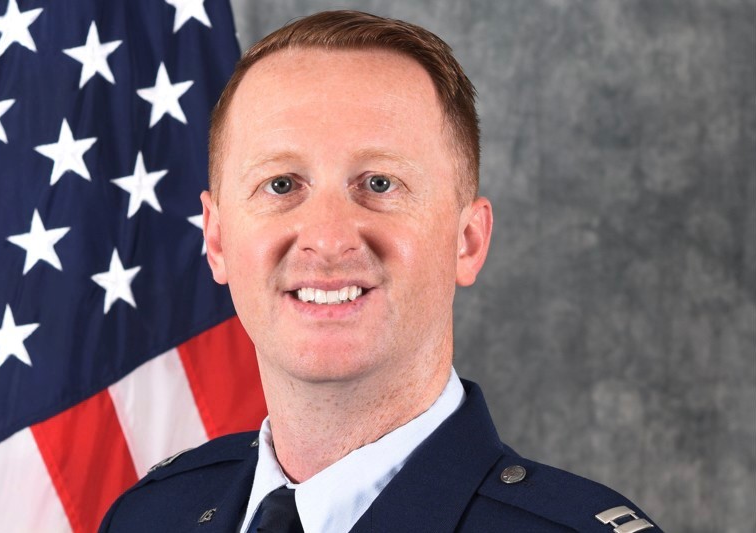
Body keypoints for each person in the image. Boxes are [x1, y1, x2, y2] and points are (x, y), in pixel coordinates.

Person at [100, 10, 661, 533]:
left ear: (467, 241)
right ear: (217, 240)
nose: (327, 238)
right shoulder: (148, 517)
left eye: (379, 184)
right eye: (281, 185)